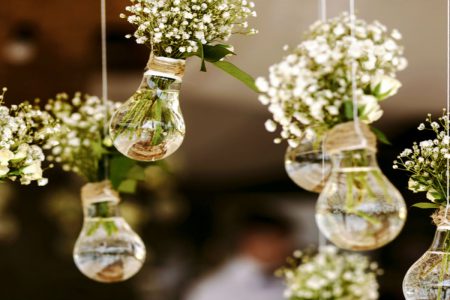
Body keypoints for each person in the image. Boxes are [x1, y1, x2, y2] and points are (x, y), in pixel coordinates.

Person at [184, 212, 294, 300]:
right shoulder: (213, 288)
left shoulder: (279, 283)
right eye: (276, 240)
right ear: (251, 240)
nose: (285, 247)